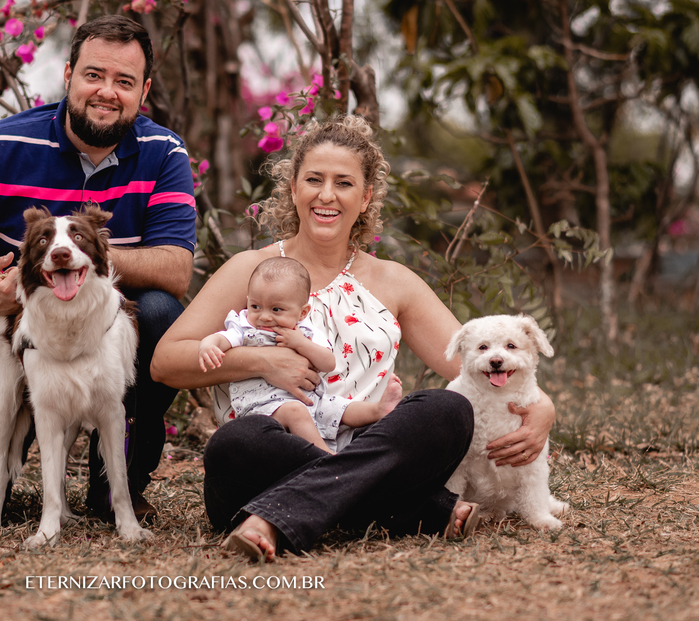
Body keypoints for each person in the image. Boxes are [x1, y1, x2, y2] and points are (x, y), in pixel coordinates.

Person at [151, 115, 556, 562]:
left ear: (365, 198)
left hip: (366, 445)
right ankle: (416, 509)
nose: (327, 195)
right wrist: (261, 362)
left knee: (448, 409)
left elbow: (473, 364)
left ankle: (282, 516)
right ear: (292, 189)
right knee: (236, 442)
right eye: (314, 180)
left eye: (343, 183)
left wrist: (544, 409)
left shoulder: (394, 281)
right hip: (266, 466)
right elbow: (165, 362)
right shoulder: (252, 270)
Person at [0, 15, 197, 527]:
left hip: (101, 346)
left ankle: (114, 487)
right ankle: (24, 475)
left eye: (124, 81)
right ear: (67, 75)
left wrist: (87, 258)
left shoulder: (163, 153)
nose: (106, 92)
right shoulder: (0, 147)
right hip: (7, 348)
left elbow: (176, 269)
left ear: (144, 90)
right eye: (94, 75)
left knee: (158, 311)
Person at [197, 256, 403, 453]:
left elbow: (328, 363)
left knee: (338, 406)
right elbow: (221, 338)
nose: (265, 316)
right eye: (255, 306)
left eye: (277, 309)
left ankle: (377, 411)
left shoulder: (306, 332)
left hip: (311, 401)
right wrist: (208, 345)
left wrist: (302, 344)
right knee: (294, 412)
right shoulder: (245, 328)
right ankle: (324, 457)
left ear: (302, 313)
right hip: (261, 406)